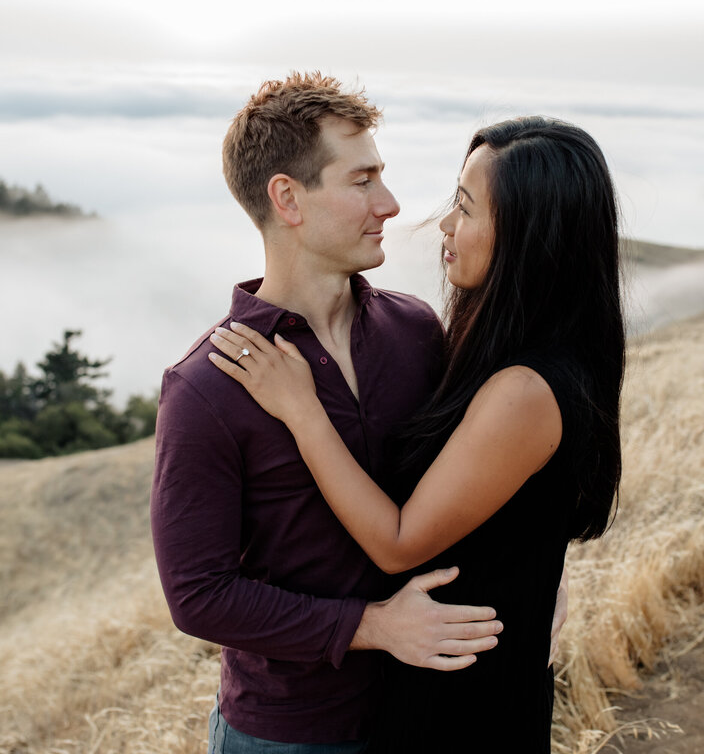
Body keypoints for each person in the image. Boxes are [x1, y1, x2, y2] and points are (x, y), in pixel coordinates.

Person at [208, 116, 626, 752]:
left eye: (465, 207)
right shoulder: (487, 351)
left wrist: (302, 411)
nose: (444, 226)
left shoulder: (524, 387)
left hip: (465, 706)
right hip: (444, 679)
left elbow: (400, 543)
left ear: (531, 237)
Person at [149, 73, 509, 754]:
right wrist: (373, 625)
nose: (392, 204)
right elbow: (197, 595)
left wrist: (550, 586)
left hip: (427, 707)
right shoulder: (205, 389)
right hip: (289, 733)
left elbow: (474, 481)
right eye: (362, 181)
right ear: (287, 198)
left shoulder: (415, 332)